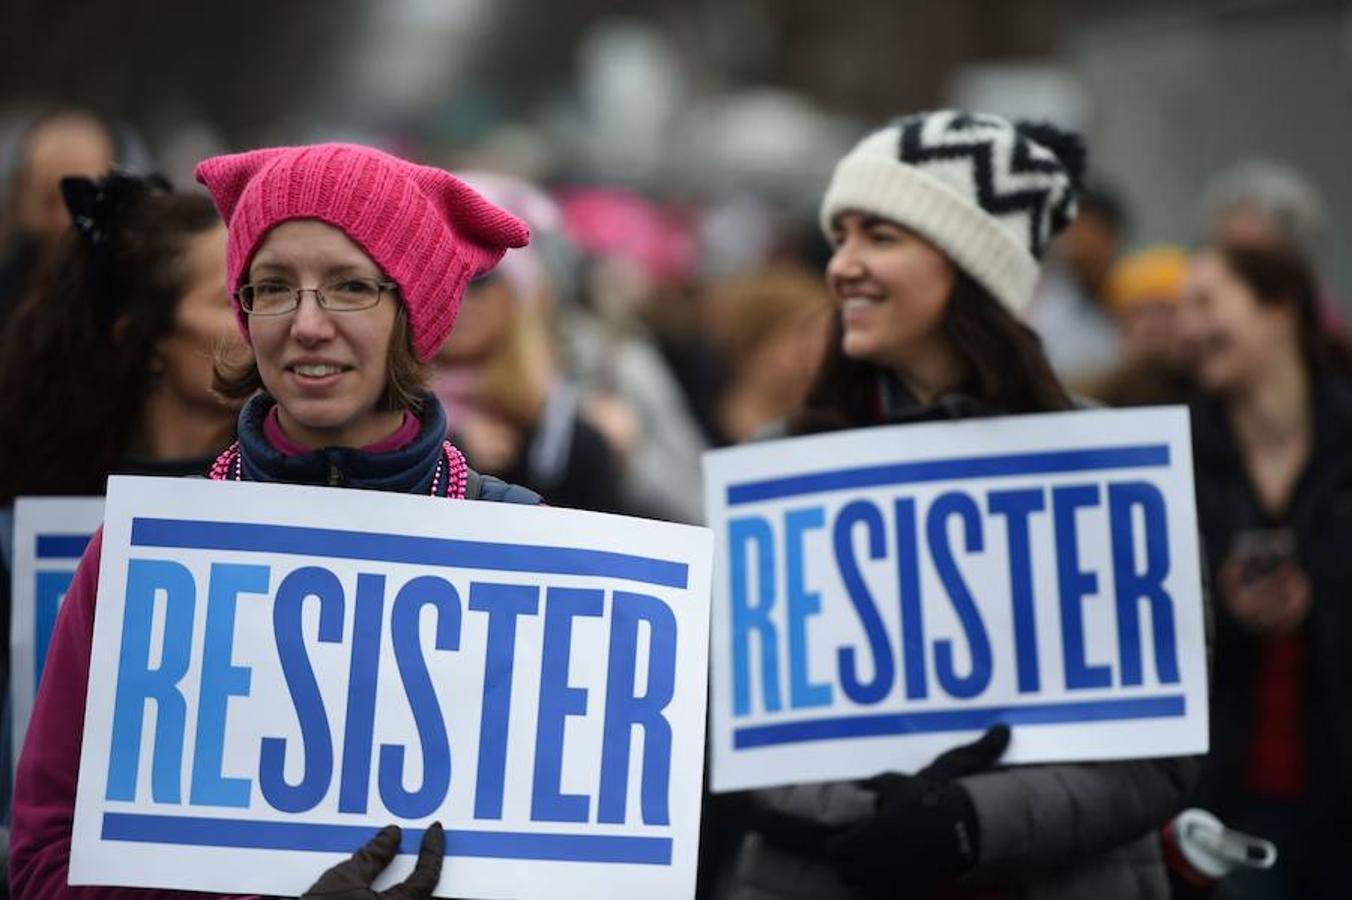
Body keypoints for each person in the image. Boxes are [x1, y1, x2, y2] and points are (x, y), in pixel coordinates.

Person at [9, 142, 535, 899]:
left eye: (351, 287)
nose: (308, 324)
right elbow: (42, 867)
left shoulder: (530, 548)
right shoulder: (139, 555)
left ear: (413, 310)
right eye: (273, 287)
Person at [726, 111, 1199, 900]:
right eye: (839, 236)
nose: (841, 266)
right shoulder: (772, 469)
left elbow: (1157, 755)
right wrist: (865, 816)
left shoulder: (1107, 466)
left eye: (879, 236)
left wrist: (968, 822)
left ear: (974, 267)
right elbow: (724, 725)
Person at [1179, 242, 1352, 899]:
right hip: (1232, 796)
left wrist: (1326, 593)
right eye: (1180, 308)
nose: (1187, 327)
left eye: (1206, 303)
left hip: (1338, 786)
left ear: (1280, 311)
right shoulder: (1180, 449)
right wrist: (1224, 611)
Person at [433, 171, 623, 513]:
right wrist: (445, 450)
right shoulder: (374, 418)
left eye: (478, 281)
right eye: (440, 277)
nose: (457, 297)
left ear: (519, 299)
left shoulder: (568, 434)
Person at [0, 109, 117, 333]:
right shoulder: (8, 289)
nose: (64, 219)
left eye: (79, 199)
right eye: (49, 201)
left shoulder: (131, 292)